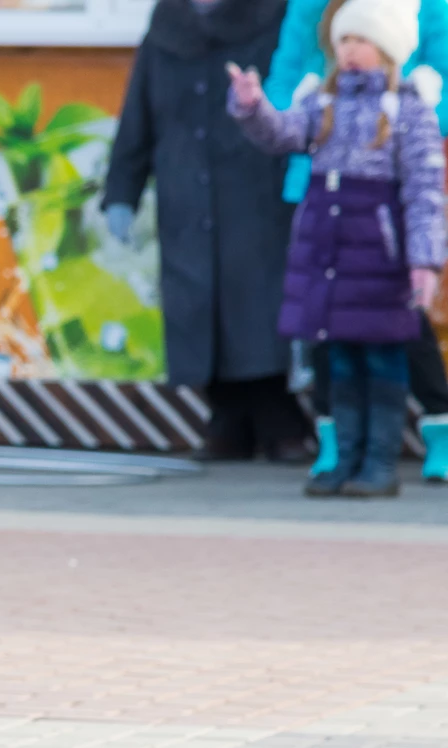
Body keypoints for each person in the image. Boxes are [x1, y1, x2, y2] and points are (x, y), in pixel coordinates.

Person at [228, 0, 446, 497]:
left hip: (381, 261)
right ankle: (345, 458)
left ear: (387, 48)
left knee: (383, 358)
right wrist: (252, 106)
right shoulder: (322, 104)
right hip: (330, 256)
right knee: (340, 359)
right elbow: (281, 134)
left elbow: (425, 194)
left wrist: (424, 262)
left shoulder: (409, 111)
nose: (349, 50)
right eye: (344, 39)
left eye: (361, 40)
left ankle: (379, 463)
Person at [105, 0, 313, 463]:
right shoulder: (166, 27)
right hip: (185, 192)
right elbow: (138, 115)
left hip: (256, 191)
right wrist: (122, 191)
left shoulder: (274, 16)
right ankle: (227, 420)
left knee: (258, 307)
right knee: (199, 310)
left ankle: (280, 421)